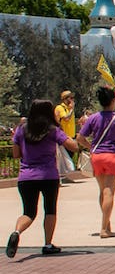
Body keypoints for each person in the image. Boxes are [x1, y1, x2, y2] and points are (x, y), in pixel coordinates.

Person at [7, 100, 79, 258]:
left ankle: (16, 232)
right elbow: (73, 146)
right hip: (48, 176)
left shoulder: (21, 130)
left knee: (28, 212)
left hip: (26, 176)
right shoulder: (52, 130)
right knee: (50, 209)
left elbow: (16, 154)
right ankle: (47, 244)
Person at [76, 87, 115, 238]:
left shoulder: (93, 118)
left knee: (102, 190)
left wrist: (91, 147)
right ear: (113, 100)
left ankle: (107, 223)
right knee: (109, 190)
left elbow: (80, 138)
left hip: (97, 156)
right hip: (113, 156)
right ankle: (104, 229)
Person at [54, 90, 76, 183]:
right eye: (70, 98)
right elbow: (66, 118)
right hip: (63, 137)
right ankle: (61, 177)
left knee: (69, 156)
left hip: (71, 136)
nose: (72, 100)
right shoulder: (60, 108)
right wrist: (71, 109)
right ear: (65, 99)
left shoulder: (69, 108)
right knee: (63, 158)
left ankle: (64, 176)